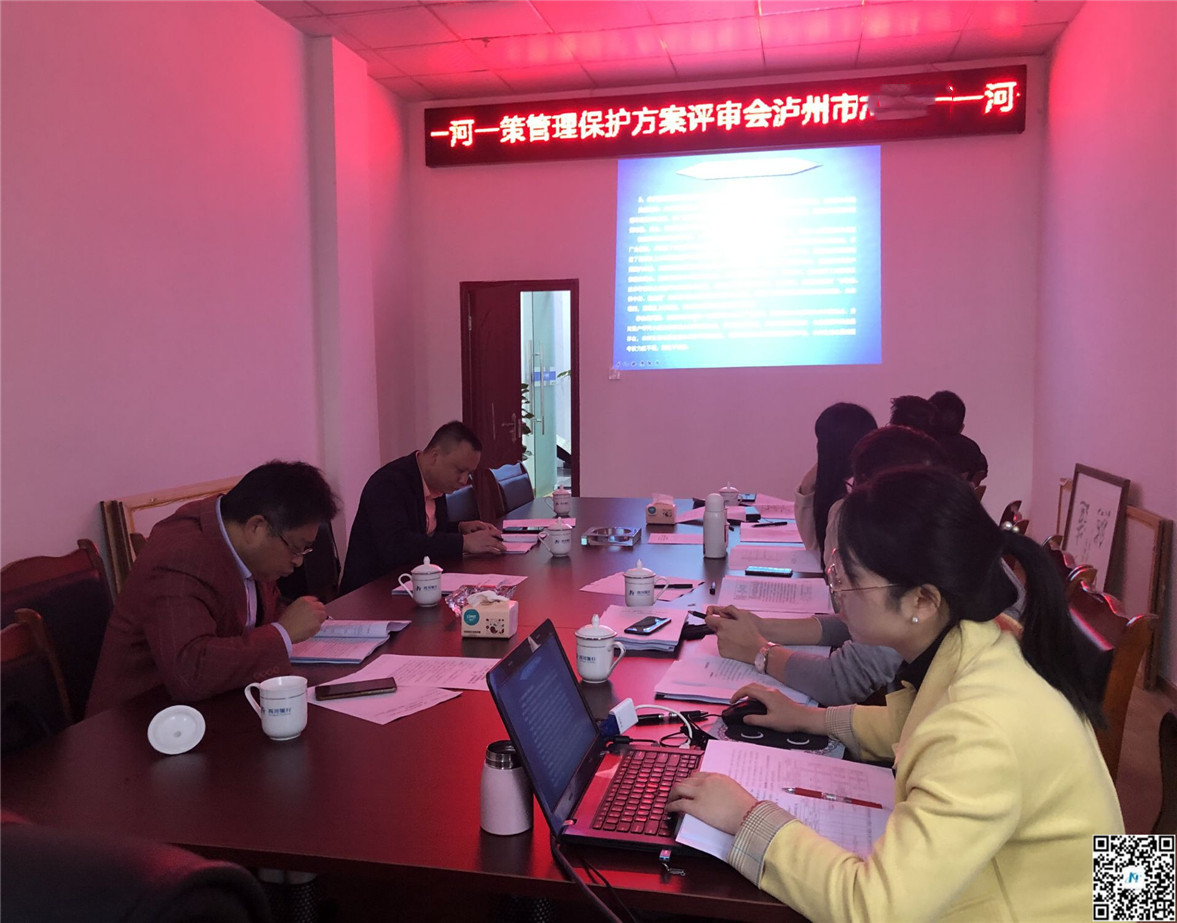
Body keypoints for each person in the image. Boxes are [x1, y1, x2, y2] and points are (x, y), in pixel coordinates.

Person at [670, 467, 1122, 922]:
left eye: (847, 578)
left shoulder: (980, 726)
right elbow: (917, 724)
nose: (837, 592)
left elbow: (877, 910)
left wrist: (746, 818)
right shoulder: (985, 637)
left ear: (921, 601)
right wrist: (810, 719)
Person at [711, 425, 956, 705]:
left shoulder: (913, 563)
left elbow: (844, 678)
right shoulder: (927, 547)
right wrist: (764, 628)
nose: (839, 590)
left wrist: (759, 651)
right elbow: (863, 619)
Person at [87, 461, 340, 714]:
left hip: (210, 707)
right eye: (296, 548)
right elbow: (190, 673)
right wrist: (282, 633)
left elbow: (257, 614)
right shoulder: (180, 558)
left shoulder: (243, 544)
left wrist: (297, 621)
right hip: (139, 721)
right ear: (256, 527)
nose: (298, 561)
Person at [340, 421, 504, 594]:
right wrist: (463, 543)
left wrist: (459, 528)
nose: (464, 480)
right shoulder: (388, 483)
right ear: (435, 456)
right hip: (372, 592)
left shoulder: (435, 483)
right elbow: (396, 546)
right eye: (459, 471)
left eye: (469, 473)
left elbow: (425, 535)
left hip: (414, 585)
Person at [793, 403, 876, 562]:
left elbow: (817, 550)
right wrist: (808, 485)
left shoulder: (852, 501)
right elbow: (817, 549)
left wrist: (826, 465)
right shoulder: (852, 484)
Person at [929, 389, 988, 487]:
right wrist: (972, 484)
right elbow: (982, 468)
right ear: (961, 428)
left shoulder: (921, 446)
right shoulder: (972, 449)